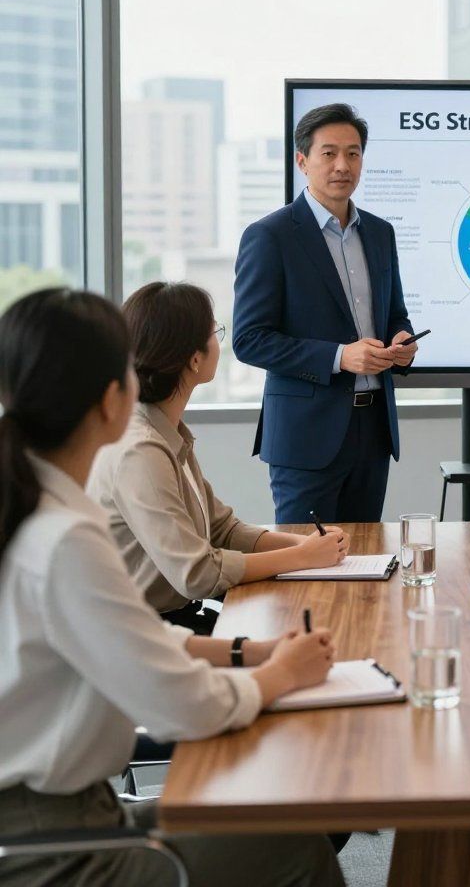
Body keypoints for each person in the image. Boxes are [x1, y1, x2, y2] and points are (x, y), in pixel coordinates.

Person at [0, 288, 343, 887]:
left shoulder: (39, 508)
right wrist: (278, 675)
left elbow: (132, 633)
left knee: (290, 817)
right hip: (53, 847)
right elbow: (181, 704)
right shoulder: (62, 539)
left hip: (64, 816)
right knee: (291, 844)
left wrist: (248, 653)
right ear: (114, 398)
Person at [88, 282, 349, 633]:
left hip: (177, 624)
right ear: (194, 359)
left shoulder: (168, 431)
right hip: (145, 636)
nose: (218, 342)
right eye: (214, 332)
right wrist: (301, 557)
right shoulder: (141, 450)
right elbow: (197, 574)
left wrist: (306, 544)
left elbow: (223, 529)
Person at [233, 102, 417, 524]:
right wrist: (340, 357)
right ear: (303, 161)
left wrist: (401, 342)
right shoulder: (269, 236)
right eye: (329, 153)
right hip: (306, 437)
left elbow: (395, 315)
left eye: (353, 153)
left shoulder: (380, 233)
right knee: (307, 574)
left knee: (368, 562)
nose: (342, 165)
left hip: (373, 430)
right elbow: (249, 339)